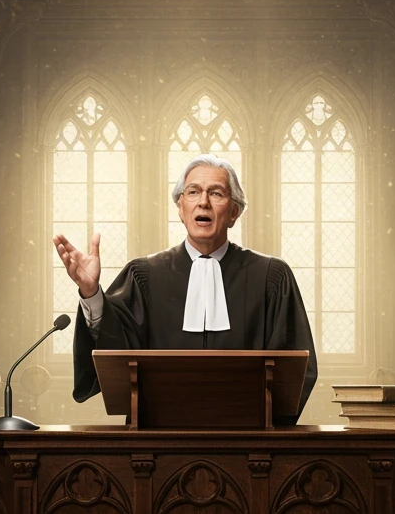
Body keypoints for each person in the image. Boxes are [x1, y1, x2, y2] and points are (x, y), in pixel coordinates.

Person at [52, 153, 318, 425]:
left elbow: (295, 367)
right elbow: (116, 353)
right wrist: (92, 293)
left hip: (249, 443)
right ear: (180, 209)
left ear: (234, 212)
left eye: (216, 193)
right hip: (158, 444)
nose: (203, 201)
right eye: (193, 192)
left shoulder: (270, 277)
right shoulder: (145, 275)